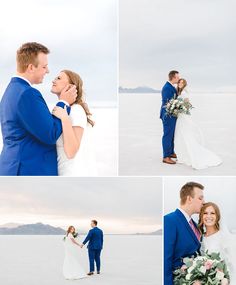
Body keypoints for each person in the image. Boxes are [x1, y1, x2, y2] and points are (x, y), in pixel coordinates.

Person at [0, 42, 77, 175]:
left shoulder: (10, 90)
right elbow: (50, 134)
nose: (47, 71)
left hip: (12, 167)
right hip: (28, 170)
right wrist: (64, 102)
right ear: (31, 67)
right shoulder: (27, 94)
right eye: (44, 66)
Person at [51, 70, 96, 176]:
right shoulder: (65, 110)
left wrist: (65, 119)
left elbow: (71, 151)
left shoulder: (76, 110)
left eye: (59, 78)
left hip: (72, 173)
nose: (53, 80)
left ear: (70, 87)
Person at [174, 78, 222, 169]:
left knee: (184, 134)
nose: (180, 84)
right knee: (180, 135)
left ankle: (188, 156)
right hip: (180, 116)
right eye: (179, 82)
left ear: (184, 84)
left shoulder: (184, 93)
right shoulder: (180, 92)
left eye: (182, 83)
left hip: (183, 116)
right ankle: (182, 155)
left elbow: (187, 105)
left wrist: (179, 108)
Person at [164, 182, 205, 285]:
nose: (204, 202)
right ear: (189, 199)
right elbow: (166, 260)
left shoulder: (195, 225)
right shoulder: (169, 220)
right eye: (200, 198)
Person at [199, 202, 236, 284]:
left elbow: (233, 265)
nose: (208, 216)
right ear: (201, 216)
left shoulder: (224, 237)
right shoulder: (200, 238)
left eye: (212, 213)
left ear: (217, 216)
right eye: (205, 213)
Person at [160, 70, 179, 165]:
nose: (179, 78)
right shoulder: (167, 87)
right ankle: (166, 156)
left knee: (171, 135)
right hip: (168, 115)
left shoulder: (171, 86)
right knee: (167, 135)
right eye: (177, 77)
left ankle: (171, 152)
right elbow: (167, 103)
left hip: (172, 114)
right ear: (173, 77)